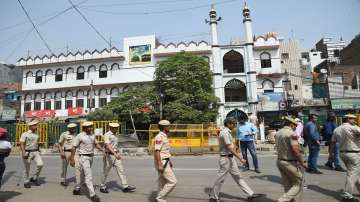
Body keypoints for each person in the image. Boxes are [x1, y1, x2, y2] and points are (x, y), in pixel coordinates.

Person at [209, 117, 264, 202]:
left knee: (238, 177)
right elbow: (229, 148)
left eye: (234, 123)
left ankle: (250, 194)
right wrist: (241, 159)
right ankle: (213, 197)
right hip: (226, 159)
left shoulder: (228, 132)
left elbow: (232, 146)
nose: (234, 125)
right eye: (233, 123)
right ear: (228, 124)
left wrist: (236, 148)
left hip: (230, 159)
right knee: (220, 179)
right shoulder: (224, 133)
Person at [275, 117, 307, 202]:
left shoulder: (278, 133)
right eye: (295, 126)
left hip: (280, 161)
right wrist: (302, 162)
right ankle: (281, 200)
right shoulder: (291, 134)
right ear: (291, 124)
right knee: (299, 184)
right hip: (289, 163)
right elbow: (296, 150)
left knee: (288, 185)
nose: (295, 128)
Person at [70, 121, 104, 202]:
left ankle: (77, 189)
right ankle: (92, 195)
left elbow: (96, 144)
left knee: (82, 175)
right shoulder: (80, 136)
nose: (91, 128)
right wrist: (72, 159)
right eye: (89, 127)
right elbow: (74, 147)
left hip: (91, 157)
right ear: (84, 128)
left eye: (91, 126)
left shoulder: (92, 135)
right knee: (88, 176)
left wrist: (102, 149)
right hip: (83, 157)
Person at [329, 114, 360, 202]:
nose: (355, 121)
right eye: (353, 119)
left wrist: (330, 154)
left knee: (353, 173)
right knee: (352, 174)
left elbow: (332, 142)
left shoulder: (337, 129)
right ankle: (347, 196)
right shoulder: (353, 127)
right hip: (354, 153)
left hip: (343, 154)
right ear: (348, 119)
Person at [100, 122, 136, 193]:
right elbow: (108, 145)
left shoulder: (116, 134)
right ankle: (102, 186)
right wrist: (114, 153)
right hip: (108, 155)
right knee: (106, 172)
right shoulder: (107, 135)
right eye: (115, 128)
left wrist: (117, 153)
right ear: (111, 128)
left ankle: (125, 186)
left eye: (116, 128)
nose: (116, 129)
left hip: (116, 154)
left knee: (121, 170)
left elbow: (115, 145)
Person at [154, 120, 177, 202]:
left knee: (162, 182)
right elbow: (157, 151)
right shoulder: (159, 137)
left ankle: (160, 199)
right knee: (173, 181)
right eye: (168, 126)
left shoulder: (164, 136)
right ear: (164, 127)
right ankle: (159, 198)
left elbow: (165, 150)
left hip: (165, 161)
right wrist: (160, 164)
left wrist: (169, 160)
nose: (169, 127)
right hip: (162, 162)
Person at [20, 119, 44, 188]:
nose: (36, 126)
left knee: (40, 164)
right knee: (27, 168)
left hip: (36, 152)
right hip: (27, 152)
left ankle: (34, 178)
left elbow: (37, 143)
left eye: (36, 125)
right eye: (35, 125)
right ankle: (26, 181)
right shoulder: (25, 134)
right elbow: (22, 144)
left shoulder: (36, 134)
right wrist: (23, 153)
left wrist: (39, 150)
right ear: (30, 126)